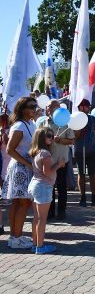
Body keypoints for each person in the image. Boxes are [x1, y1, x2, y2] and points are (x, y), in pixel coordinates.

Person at [2, 97, 37, 249]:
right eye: (31, 107)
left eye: (35, 106)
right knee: (23, 202)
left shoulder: (30, 124)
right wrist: (28, 163)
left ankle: (15, 236)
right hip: (20, 168)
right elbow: (10, 149)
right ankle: (15, 237)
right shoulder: (19, 126)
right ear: (22, 109)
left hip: (25, 167)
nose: (34, 109)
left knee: (19, 202)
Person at [28, 127, 66, 254]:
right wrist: (59, 164)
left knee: (36, 218)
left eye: (52, 135)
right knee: (42, 219)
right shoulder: (45, 153)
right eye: (49, 135)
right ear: (42, 138)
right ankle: (40, 246)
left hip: (35, 185)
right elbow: (48, 172)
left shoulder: (36, 151)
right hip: (43, 186)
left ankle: (35, 244)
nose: (52, 137)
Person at [36, 100, 75, 220]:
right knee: (49, 187)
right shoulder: (43, 122)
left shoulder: (66, 122)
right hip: (47, 161)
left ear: (58, 108)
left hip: (61, 160)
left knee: (61, 186)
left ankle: (62, 211)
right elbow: (37, 140)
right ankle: (50, 211)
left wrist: (60, 140)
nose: (48, 109)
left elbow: (72, 141)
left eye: (51, 107)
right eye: (47, 107)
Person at [73, 99, 95, 207]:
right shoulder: (75, 119)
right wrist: (79, 127)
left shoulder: (93, 119)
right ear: (79, 107)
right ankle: (82, 196)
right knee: (81, 174)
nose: (84, 108)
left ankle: (94, 196)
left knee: (93, 174)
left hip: (92, 150)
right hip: (80, 150)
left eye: (87, 106)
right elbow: (75, 136)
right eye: (82, 106)